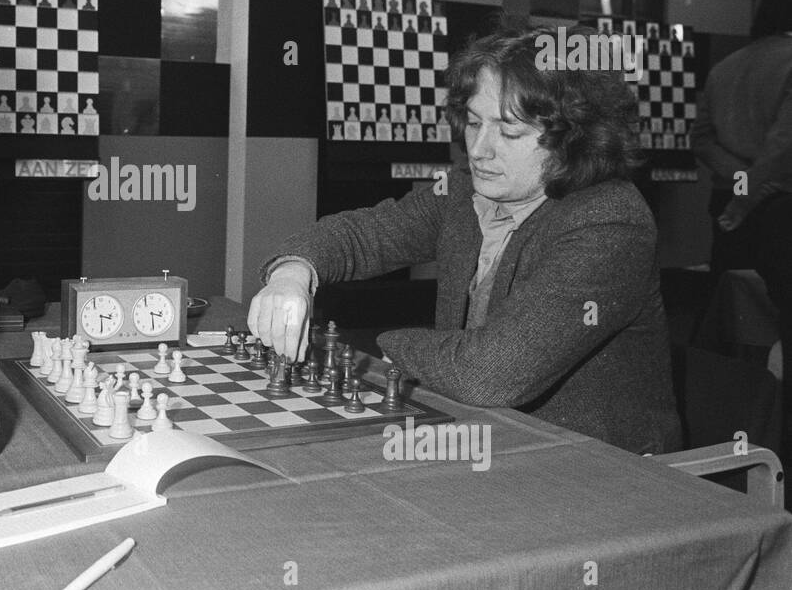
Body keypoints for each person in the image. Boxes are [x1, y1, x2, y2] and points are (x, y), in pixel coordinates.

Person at [250, 25, 681, 455]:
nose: (479, 149)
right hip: (484, 439)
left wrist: (377, 348)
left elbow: (489, 373)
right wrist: (293, 272)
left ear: (575, 138)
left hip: (597, 471)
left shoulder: (609, 221)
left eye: (509, 132)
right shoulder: (463, 191)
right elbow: (364, 235)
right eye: (474, 123)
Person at [689, 0, 792, 457]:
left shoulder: (726, 66)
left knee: (727, 327)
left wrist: (736, 185)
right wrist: (751, 192)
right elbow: (782, 148)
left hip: (727, 205)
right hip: (775, 209)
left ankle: (725, 436)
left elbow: (701, 138)